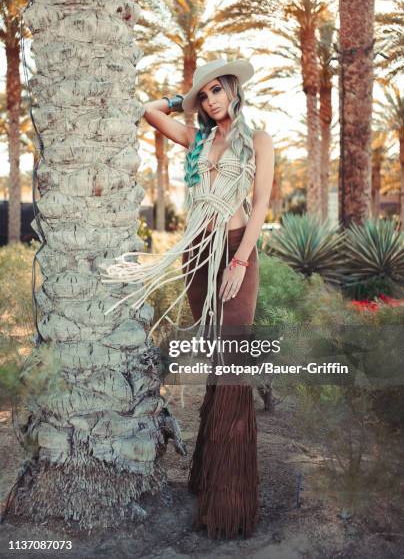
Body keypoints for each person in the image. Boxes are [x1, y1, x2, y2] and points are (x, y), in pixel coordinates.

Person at [100, 58, 275, 539]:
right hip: (196, 255)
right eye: (205, 96)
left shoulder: (258, 139)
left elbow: (259, 204)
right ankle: (208, 474)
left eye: (217, 90)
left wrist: (240, 261)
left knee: (234, 361)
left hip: (236, 252)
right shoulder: (198, 139)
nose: (212, 100)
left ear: (234, 90)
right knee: (218, 361)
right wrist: (186, 98)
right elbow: (148, 111)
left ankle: (230, 501)